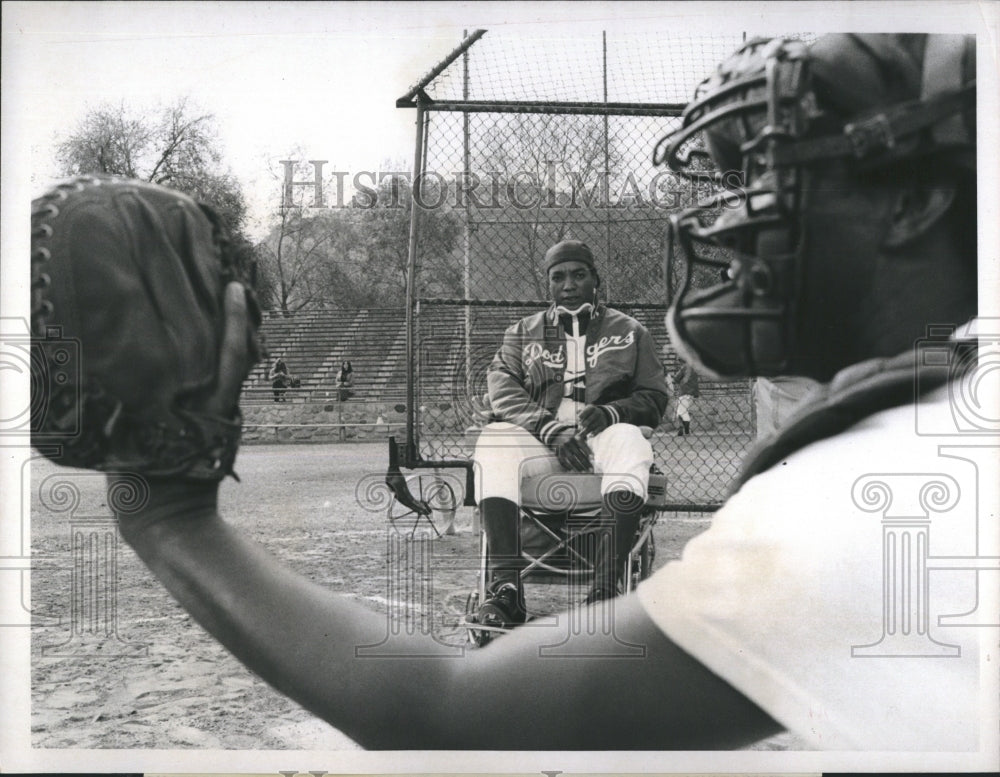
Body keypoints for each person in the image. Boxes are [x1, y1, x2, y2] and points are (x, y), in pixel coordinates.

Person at [38, 33, 991, 752]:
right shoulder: (939, 423)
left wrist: (165, 513)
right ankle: (506, 579)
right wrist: (547, 417)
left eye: (768, 174)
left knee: (626, 450)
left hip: (612, 437)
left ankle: (609, 577)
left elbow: (448, 715)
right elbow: (502, 392)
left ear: (915, 201)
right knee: (502, 444)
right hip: (541, 434)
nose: (720, 218)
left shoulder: (876, 493)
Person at [472, 239, 669, 624]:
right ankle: (507, 590)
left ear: (596, 280)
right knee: (494, 440)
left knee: (630, 440)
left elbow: (655, 396)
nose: (568, 284)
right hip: (544, 442)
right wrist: (547, 427)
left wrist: (613, 412)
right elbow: (501, 387)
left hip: (602, 439)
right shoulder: (523, 332)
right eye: (558, 277)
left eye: (579, 275)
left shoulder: (630, 331)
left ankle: (604, 592)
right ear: (547, 284)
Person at [670, 360, 699, 436]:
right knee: (682, 411)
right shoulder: (694, 369)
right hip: (691, 394)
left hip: (684, 392)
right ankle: (681, 429)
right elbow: (696, 383)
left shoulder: (684, 367)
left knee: (682, 412)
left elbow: (675, 379)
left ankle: (686, 431)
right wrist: (696, 394)